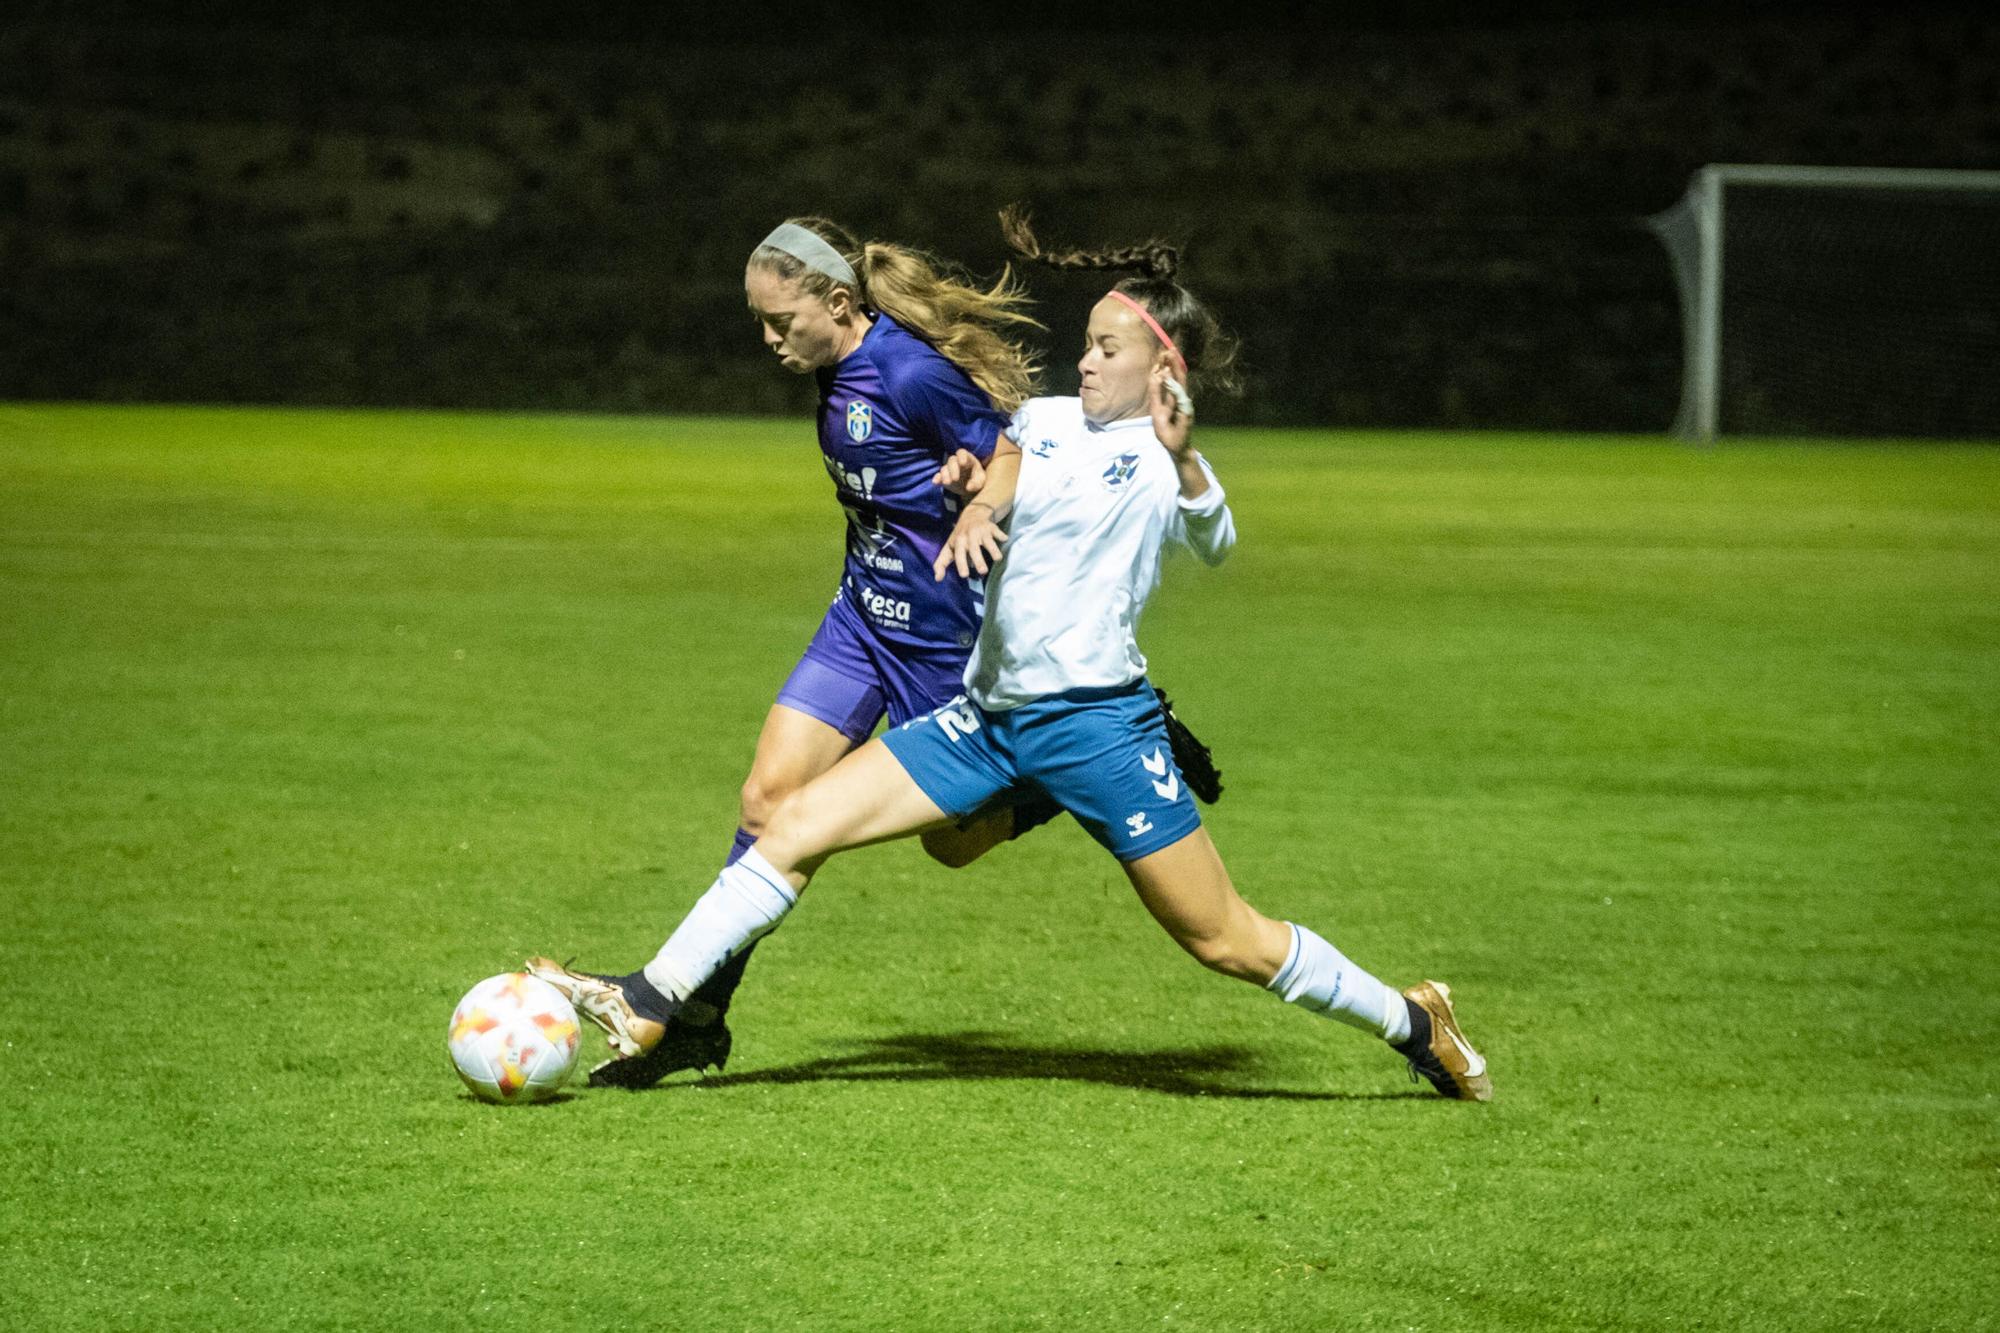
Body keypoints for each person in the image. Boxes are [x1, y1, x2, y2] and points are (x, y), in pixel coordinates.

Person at [538, 213, 1490, 1101]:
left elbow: (1217, 540)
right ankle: (653, 999)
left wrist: (1188, 457)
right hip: (983, 720)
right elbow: (993, 463)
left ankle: (1413, 1019)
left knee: (1223, 937)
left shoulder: (1162, 459)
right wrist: (971, 487)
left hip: (1096, 727)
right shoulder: (1040, 421)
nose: (1082, 360)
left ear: (1167, 372)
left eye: (1105, 349)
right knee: (790, 823)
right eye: (1084, 341)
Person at [605, 217, 1218, 1089]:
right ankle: (693, 1013)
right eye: (761, 321)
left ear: (840, 302)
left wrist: (982, 502)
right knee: (768, 797)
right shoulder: (835, 367)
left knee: (953, 848)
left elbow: (1011, 444)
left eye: (781, 320)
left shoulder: (909, 371)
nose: (769, 338)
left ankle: (1059, 772)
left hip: (943, 634)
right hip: (861, 617)